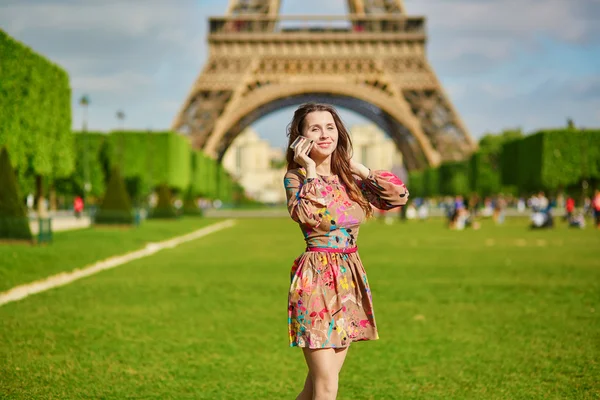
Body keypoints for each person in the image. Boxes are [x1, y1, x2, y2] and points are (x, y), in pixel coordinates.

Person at [283, 103, 409, 400]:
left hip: (348, 279)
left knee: (316, 385)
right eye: (315, 128)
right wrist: (311, 171)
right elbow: (311, 216)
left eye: (330, 127)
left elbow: (398, 197)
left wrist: (359, 169)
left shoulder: (351, 180)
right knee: (327, 385)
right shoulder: (296, 178)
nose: (325, 134)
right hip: (315, 280)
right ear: (301, 138)